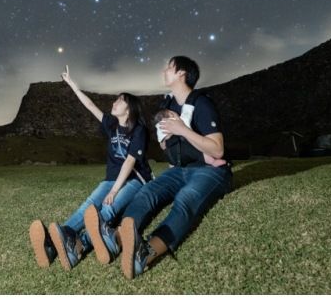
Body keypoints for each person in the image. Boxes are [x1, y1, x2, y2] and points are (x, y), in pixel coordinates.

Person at [86, 55, 232, 279]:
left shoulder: (202, 103)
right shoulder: (168, 105)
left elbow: (218, 150)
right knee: (147, 192)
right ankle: (116, 238)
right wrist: (167, 135)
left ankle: (146, 252)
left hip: (210, 171)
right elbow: (165, 144)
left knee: (186, 199)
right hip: (178, 169)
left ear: (182, 74)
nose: (164, 71)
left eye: (169, 68)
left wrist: (182, 129)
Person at [28, 65, 153, 271]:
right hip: (111, 178)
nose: (114, 102)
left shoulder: (139, 130)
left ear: (129, 107)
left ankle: (79, 245)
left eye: (120, 100)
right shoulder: (111, 124)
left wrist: (113, 191)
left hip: (134, 180)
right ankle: (54, 243)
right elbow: (89, 105)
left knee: (108, 208)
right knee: (88, 206)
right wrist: (72, 85)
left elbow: (130, 161)